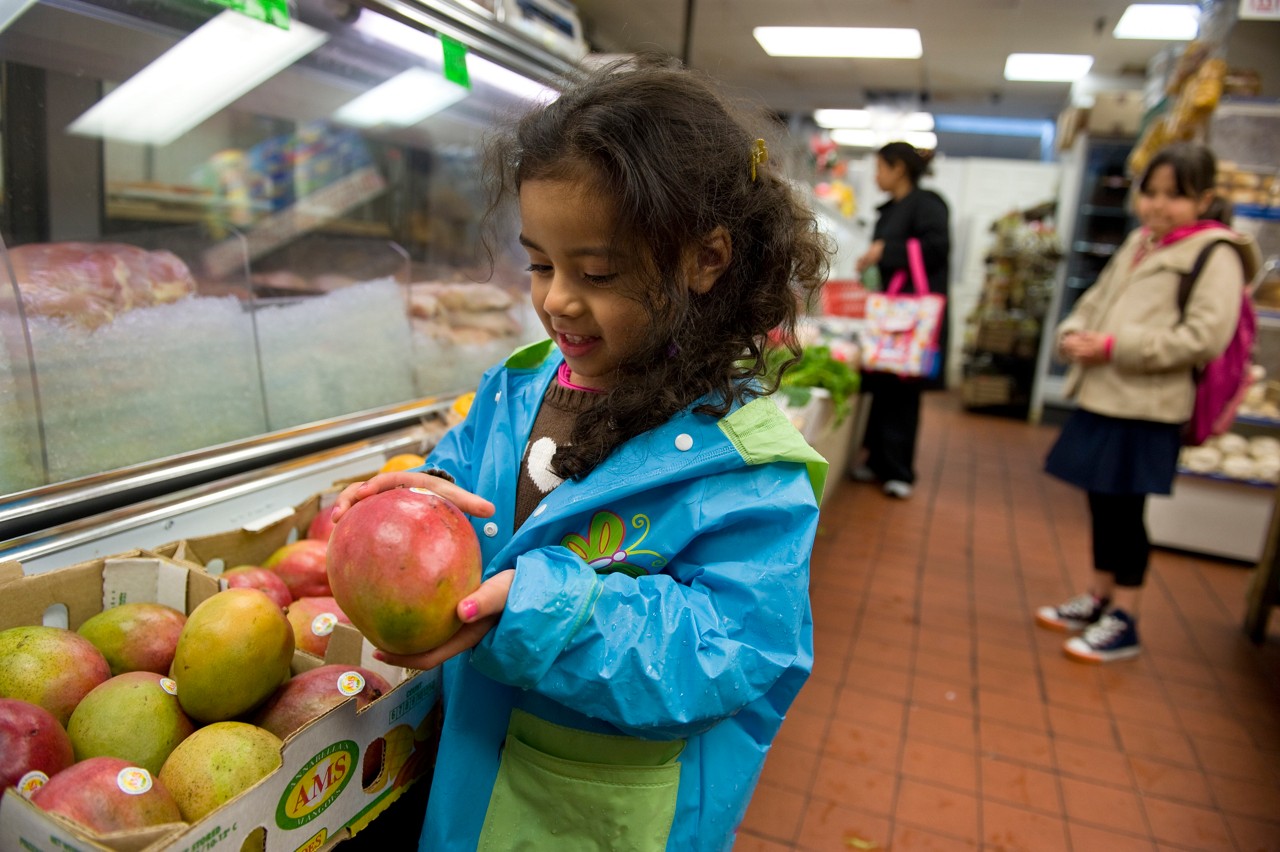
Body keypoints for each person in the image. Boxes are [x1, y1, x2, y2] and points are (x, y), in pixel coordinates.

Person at [331, 54, 832, 851]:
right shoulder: (520, 385)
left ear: (706, 260)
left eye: (596, 272)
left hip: (596, 809)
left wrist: (542, 613)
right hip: (469, 767)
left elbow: (731, 654)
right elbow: (466, 476)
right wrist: (412, 500)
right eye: (539, 263)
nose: (557, 298)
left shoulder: (748, 467)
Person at [1036, 142, 1261, 663]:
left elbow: (1204, 337)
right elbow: (1095, 300)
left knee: (1127, 512)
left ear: (1203, 198)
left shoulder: (1216, 253)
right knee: (1102, 502)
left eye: (1174, 196)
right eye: (1150, 193)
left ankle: (1125, 618)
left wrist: (1115, 347)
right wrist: (1074, 334)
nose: (1158, 206)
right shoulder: (1143, 241)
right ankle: (1098, 597)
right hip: (1105, 397)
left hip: (1150, 407)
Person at [853, 141, 951, 499]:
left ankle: (900, 470)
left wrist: (887, 251)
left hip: (912, 321)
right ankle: (877, 459)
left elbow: (937, 248)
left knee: (904, 395)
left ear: (899, 169)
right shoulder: (888, 210)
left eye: (880, 167)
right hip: (890, 316)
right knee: (881, 387)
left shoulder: (928, 205)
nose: (877, 175)